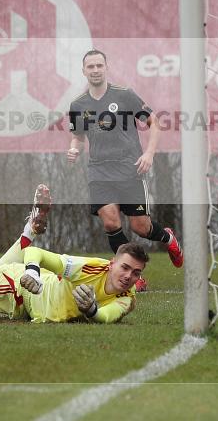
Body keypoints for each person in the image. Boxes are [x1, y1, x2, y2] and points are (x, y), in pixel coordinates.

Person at [0, 171, 147, 323]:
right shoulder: (89, 268)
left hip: (23, 287)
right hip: (15, 289)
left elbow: (107, 317)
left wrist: (92, 310)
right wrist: (32, 273)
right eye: (125, 267)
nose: (129, 276)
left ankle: (29, 230)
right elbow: (37, 254)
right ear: (111, 264)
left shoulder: (128, 297)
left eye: (136, 273)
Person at [67, 49, 182, 292]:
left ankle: (168, 238)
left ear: (106, 68)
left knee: (141, 226)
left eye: (99, 65)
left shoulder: (124, 95)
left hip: (130, 169)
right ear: (84, 71)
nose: (95, 70)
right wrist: (74, 149)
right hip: (99, 171)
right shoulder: (78, 105)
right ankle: (133, 276)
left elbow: (154, 122)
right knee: (110, 222)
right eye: (91, 67)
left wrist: (149, 153)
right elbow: (77, 137)